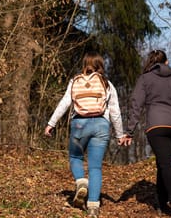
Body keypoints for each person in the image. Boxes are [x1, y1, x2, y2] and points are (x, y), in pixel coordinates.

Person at [45, 52, 125, 218]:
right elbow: (115, 111)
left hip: (80, 124)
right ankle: (93, 207)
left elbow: (65, 103)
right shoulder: (106, 84)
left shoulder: (75, 81)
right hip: (101, 126)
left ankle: (81, 181)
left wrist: (51, 123)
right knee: (95, 167)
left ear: (84, 64)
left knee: (75, 157)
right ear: (100, 66)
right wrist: (120, 134)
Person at [120, 50, 171, 218]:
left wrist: (129, 131)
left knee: (166, 164)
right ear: (166, 62)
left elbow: (136, 104)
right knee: (164, 162)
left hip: (157, 127)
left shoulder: (145, 78)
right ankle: (162, 202)